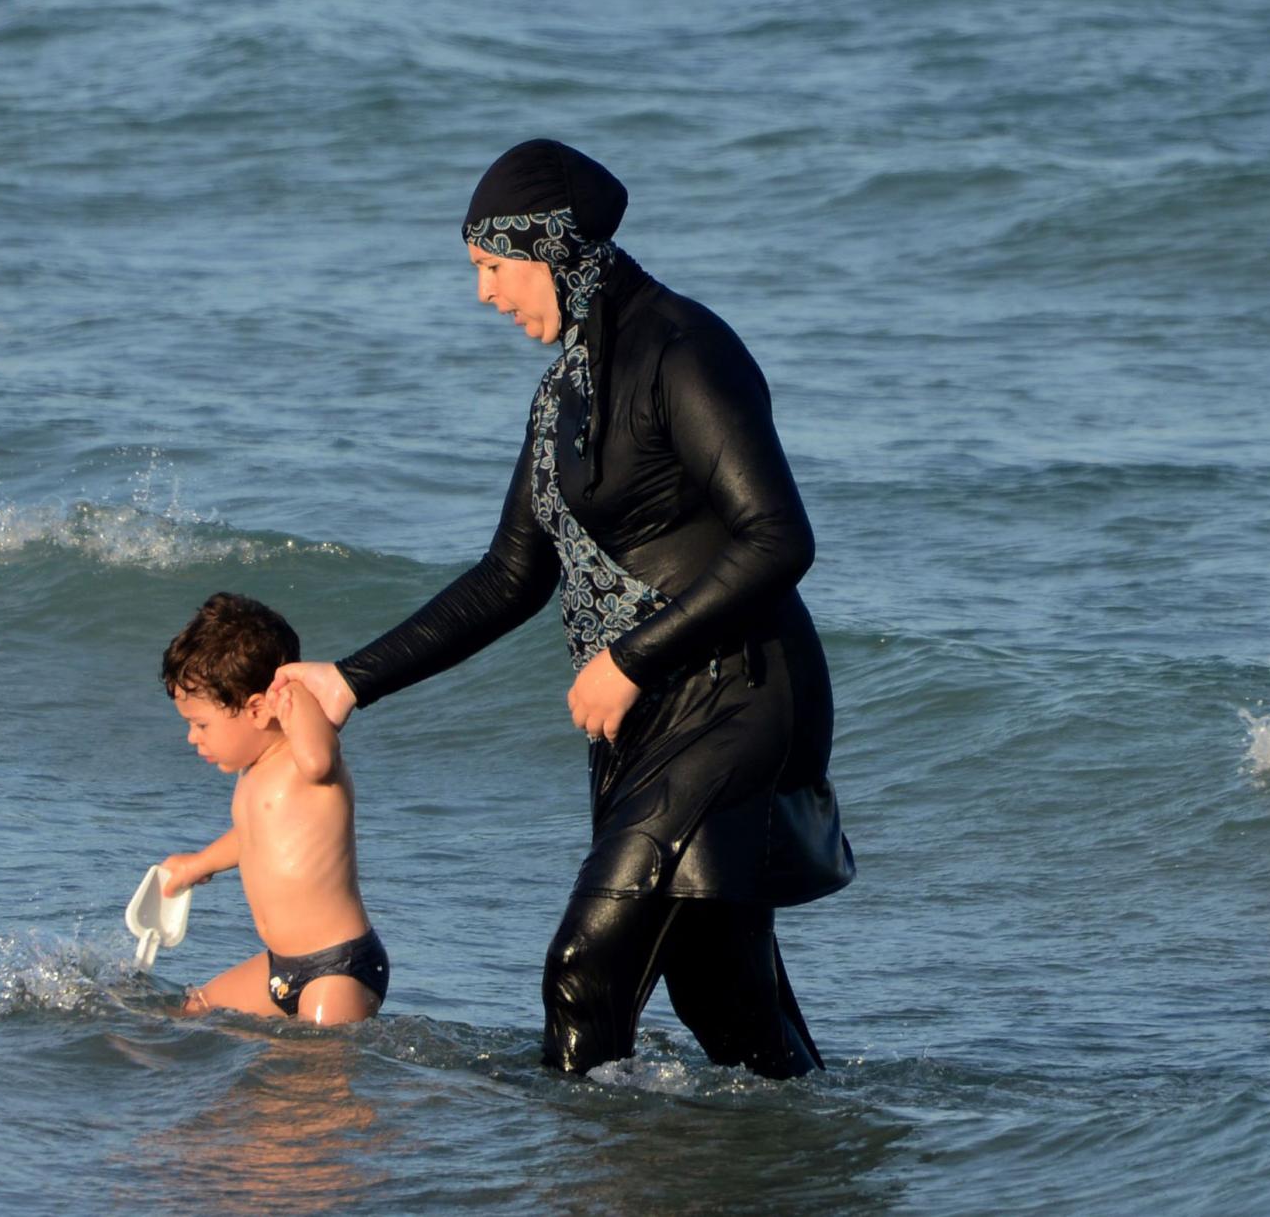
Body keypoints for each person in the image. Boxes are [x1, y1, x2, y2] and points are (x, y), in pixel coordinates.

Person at [274, 139, 854, 1079]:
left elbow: (779, 539)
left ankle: (574, 1175)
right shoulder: (563, 395)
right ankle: (819, 1164)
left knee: (585, 968)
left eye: (493, 267)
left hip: (738, 696)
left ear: (552, 247)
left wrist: (628, 659)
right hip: (653, 714)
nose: (485, 295)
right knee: (724, 999)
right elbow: (511, 574)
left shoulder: (685, 351)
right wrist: (349, 680)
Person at [156, 592, 388, 1025]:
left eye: (200, 724)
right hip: (280, 968)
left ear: (259, 708)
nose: (192, 738)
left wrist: (295, 696)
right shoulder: (254, 774)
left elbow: (321, 759)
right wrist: (197, 864)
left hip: (337, 968)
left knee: (315, 1073)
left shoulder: (305, 759)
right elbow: (253, 839)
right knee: (193, 1011)